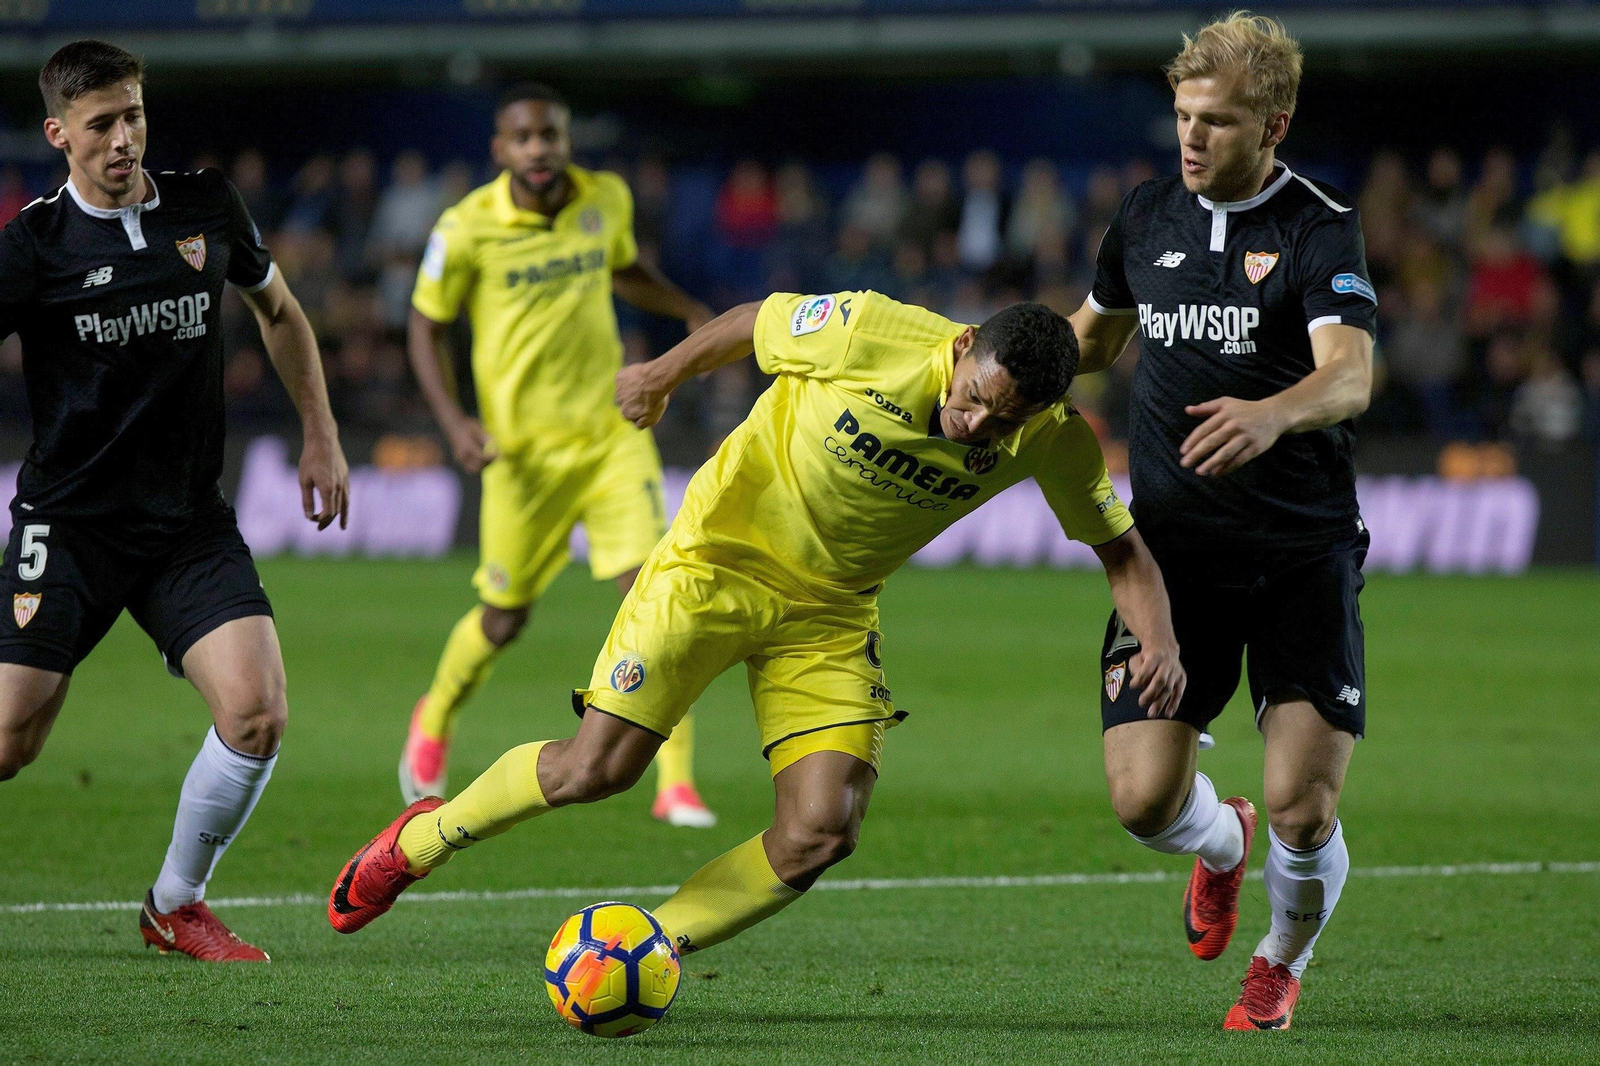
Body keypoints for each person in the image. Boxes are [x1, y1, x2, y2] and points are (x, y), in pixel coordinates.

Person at [328, 291, 1185, 963]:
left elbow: (1125, 556)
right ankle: (421, 838)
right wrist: (661, 374)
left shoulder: (1050, 437)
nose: (977, 428)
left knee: (822, 830)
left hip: (832, 613)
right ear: (963, 350)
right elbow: (753, 323)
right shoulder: (869, 330)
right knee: (596, 770)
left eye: (1004, 422)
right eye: (974, 403)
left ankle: (643, 949)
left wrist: (1161, 644)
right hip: (714, 565)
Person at [0, 41, 350, 961]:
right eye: (101, 125)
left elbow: (279, 312)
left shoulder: (203, 205)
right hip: (68, 524)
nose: (124, 139)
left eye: (135, 116)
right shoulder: (32, 246)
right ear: (58, 134)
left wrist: (320, 433)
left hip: (186, 525)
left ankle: (175, 903)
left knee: (257, 712)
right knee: (11, 740)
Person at [1067, 12, 1378, 1031]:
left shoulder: (1316, 227)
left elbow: (1351, 372)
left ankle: (1279, 961)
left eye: (1217, 122)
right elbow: (1090, 341)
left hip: (1297, 553)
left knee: (1306, 801)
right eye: (1181, 117)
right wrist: (986, 373)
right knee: (1141, 800)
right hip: (1170, 560)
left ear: (1272, 125)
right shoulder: (1146, 218)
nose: (1191, 139)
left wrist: (1271, 413)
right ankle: (1220, 841)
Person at [401, 83, 719, 828]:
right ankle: (436, 716)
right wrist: (454, 423)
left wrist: (687, 311)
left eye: (551, 135)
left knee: (655, 599)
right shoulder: (467, 226)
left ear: (566, 141)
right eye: (524, 138)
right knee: (504, 617)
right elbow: (424, 327)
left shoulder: (603, 196)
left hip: (612, 437)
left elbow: (623, 268)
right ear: (501, 150)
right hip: (522, 454)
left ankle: (674, 780)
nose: (540, 149)